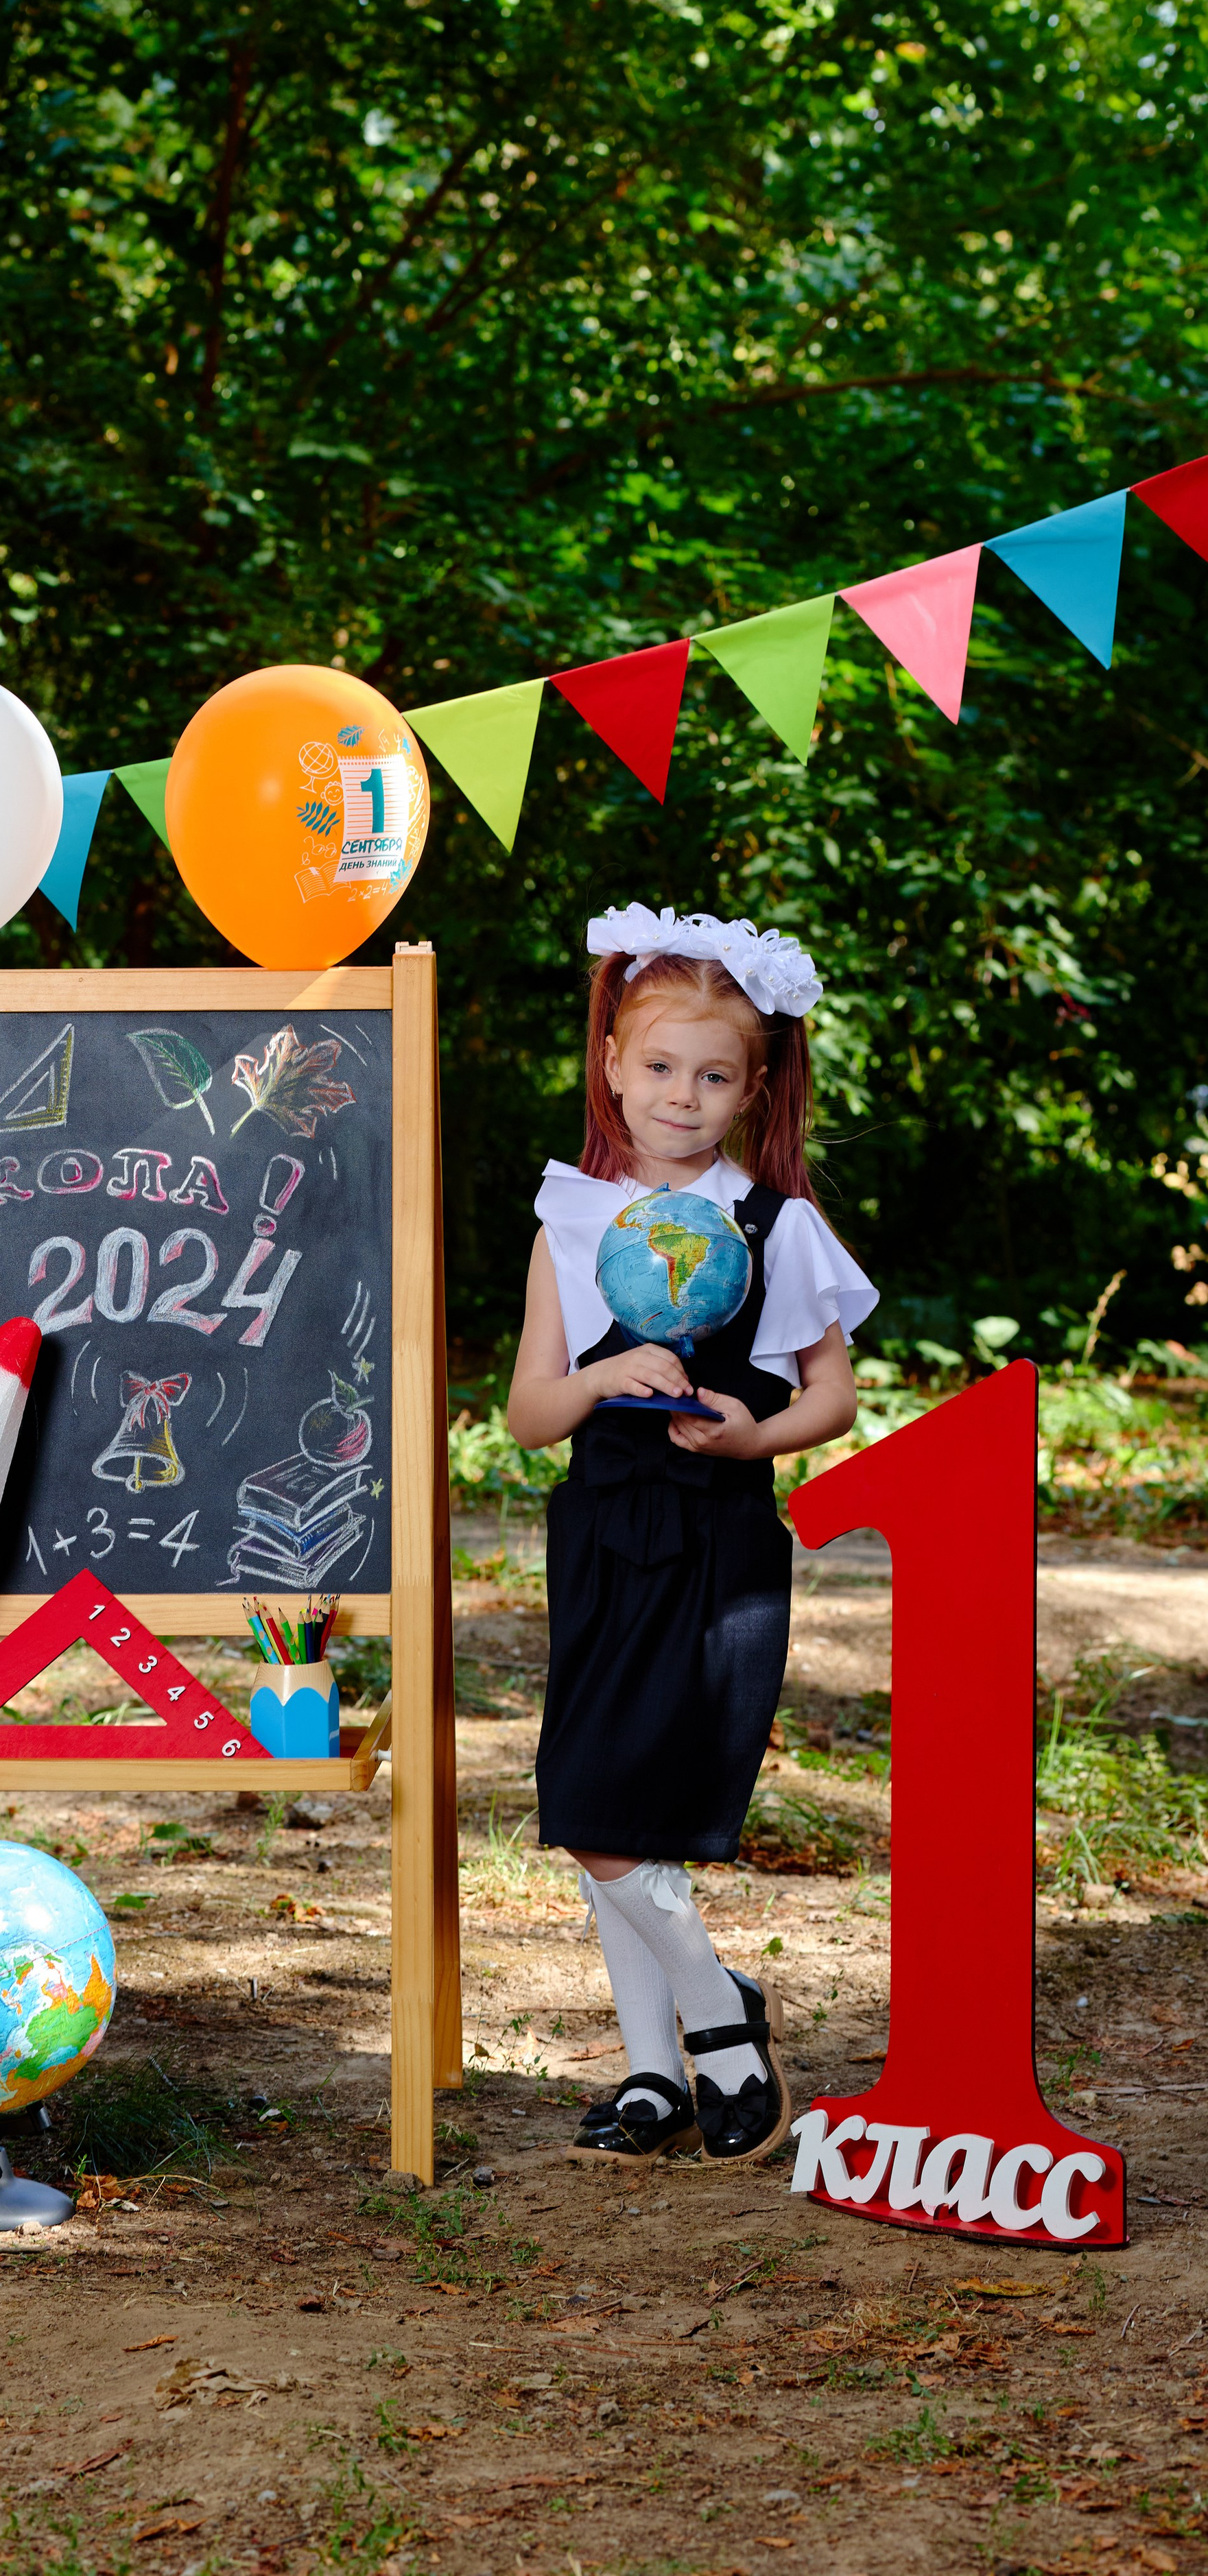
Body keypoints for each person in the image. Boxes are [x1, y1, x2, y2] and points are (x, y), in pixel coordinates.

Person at [507, 903, 877, 2166]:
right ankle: (700, 2032)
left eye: (713, 1075)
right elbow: (526, 1414)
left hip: (716, 1541)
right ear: (612, 1061)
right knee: (589, 1797)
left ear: (753, 1086)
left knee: (636, 1807)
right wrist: (611, 1380)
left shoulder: (775, 1225)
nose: (682, 1095)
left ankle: (675, 2062)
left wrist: (750, 1436)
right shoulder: (575, 1218)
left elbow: (832, 1394)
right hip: (606, 1533)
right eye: (658, 1066)